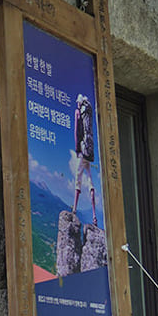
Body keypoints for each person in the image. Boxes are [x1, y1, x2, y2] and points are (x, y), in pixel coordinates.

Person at [72, 92, 99, 226]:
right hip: (90, 150)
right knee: (90, 180)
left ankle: (74, 210)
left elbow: (77, 132)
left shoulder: (78, 112)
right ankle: (94, 216)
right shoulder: (88, 111)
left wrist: (77, 149)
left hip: (82, 150)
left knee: (78, 178)